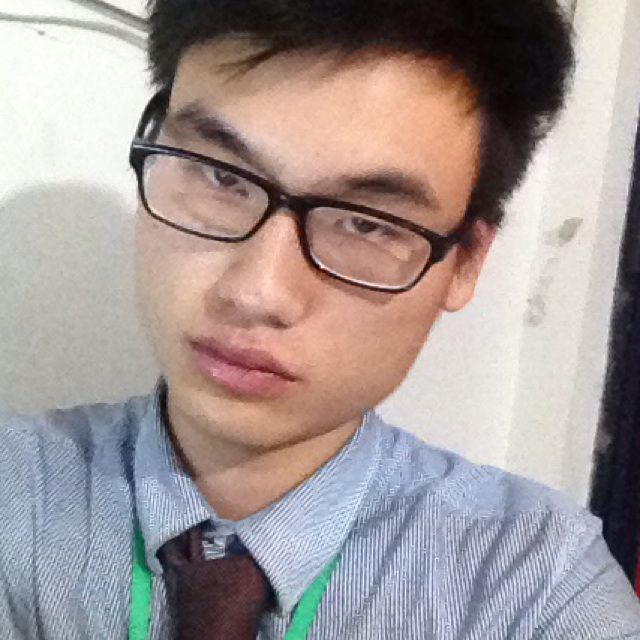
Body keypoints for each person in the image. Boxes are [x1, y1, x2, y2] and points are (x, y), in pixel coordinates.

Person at [1, 0, 639, 638]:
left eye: (366, 223)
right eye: (221, 177)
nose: (257, 293)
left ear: (465, 263)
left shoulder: (535, 584)